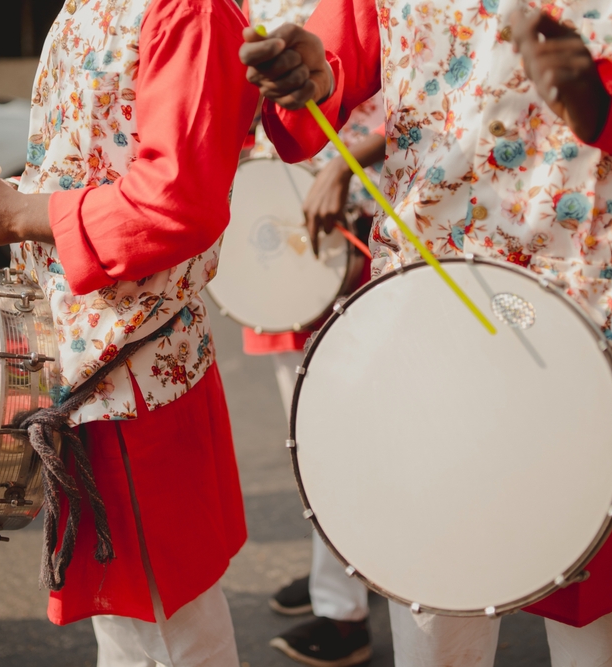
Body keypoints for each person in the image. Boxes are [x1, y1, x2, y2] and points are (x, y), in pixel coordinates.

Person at [241, 1, 612, 665]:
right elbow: (335, 67)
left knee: (596, 644)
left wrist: (611, 102)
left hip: (601, 356)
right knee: (435, 641)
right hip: (423, 342)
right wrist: (311, 78)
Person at [0, 0, 258, 662]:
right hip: (80, 361)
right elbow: (80, 164)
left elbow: (179, 203)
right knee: (132, 623)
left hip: (134, 365)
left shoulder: (188, 9)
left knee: (168, 626)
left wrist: (22, 213)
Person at [239, 3, 383, 661]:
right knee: (311, 430)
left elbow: (422, 90)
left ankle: (344, 608)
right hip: (277, 239)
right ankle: (346, 569)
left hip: (346, 237)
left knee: (333, 433)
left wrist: (345, 159)